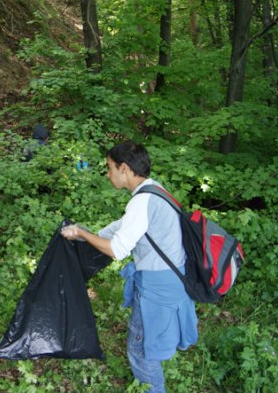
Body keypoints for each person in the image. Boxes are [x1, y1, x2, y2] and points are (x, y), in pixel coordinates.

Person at [60, 141, 198, 393]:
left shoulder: (142, 201)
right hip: (173, 281)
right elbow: (121, 227)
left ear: (124, 168)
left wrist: (81, 232)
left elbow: (117, 249)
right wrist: (83, 235)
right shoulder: (154, 190)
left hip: (157, 289)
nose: (107, 173)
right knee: (149, 344)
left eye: (109, 167)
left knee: (141, 350)